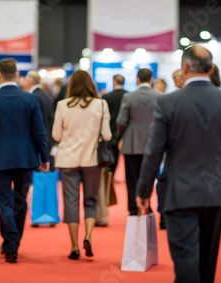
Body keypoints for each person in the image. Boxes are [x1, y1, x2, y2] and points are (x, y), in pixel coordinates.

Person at [136, 45, 221, 283]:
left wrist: (143, 189)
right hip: (218, 192)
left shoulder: (168, 103)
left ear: (185, 68)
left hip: (180, 193)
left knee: (186, 260)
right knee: (207, 260)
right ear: (210, 69)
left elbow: (154, 152)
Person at [0, 59, 50, 263]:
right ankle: (13, 241)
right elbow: (39, 132)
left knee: (3, 200)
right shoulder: (30, 99)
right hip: (25, 158)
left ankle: (10, 242)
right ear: (16, 75)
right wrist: (44, 157)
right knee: (20, 200)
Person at [52, 70, 111, 260]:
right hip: (92, 160)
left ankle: (74, 246)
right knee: (91, 200)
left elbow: (56, 136)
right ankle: (88, 236)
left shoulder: (62, 105)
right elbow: (108, 135)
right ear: (91, 85)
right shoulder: (101, 104)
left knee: (71, 201)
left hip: (68, 160)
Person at [116, 68, 160, 215]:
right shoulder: (159, 97)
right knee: (149, 176)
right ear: (151, 79)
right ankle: (147, 206)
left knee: (131, 178)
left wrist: (122, 134)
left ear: (137, 80)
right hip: (152, 143)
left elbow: (121, 121)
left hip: (132, 143)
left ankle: (133, 209)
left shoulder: (129, 97)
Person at [97, 74, 127, 226]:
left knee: (109, 167)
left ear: (114, 82)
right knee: (130, 171)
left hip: (109, 137)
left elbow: (104, 119)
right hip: (127, 137)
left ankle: (110, 182)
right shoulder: (129, 96)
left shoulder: (106, 98)